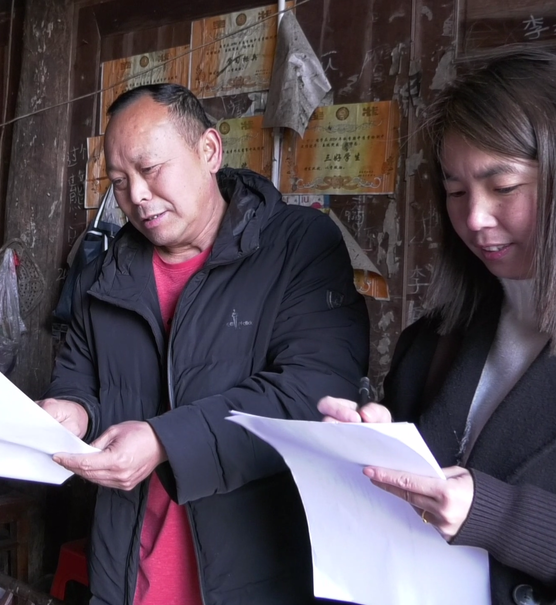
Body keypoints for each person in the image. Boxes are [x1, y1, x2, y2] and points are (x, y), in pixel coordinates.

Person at [319, 49, 556, 604]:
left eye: (503, 188)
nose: (474, 218)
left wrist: (503, 518)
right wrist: (374, 452)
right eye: (455, 191)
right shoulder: (433, 337)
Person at [42, 83, 370, 605]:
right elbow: (79, 375)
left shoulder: (297, 247)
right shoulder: (108, 271)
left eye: (150, 170)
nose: (138, 196)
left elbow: (314, 391)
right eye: (121, 182)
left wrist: (164, 440)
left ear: (209, 151)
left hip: (255, 569)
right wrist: (72, 411)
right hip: (128, 564)